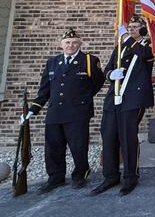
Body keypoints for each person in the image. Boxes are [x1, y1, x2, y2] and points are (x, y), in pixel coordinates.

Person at [24, 28, 104, 194]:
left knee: (78, 146)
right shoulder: (53, 62)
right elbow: (45, 89)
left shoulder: (89, 60)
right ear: (61, 45)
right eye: (67, 42)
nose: (71, 45)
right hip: (55, 111)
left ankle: (80, 174)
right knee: (53, 147)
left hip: (78, 112)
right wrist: (33, 109)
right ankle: (55, 177)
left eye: (74, 42)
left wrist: (83, 98)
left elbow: (97, 83)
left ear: (80, 44)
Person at [91, 15, 155, 196]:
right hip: (114, 98)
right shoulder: (119, 48)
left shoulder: (148, 46)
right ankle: (110, 176)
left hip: (134, 98)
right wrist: (111, 74)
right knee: (109, 136)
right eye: (130, 27)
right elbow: (107, 69)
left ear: (142, 29)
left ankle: (130, 177)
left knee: (128, 138)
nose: (132, 29)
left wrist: (127, 38)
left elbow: (146, 56)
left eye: (135, 27)